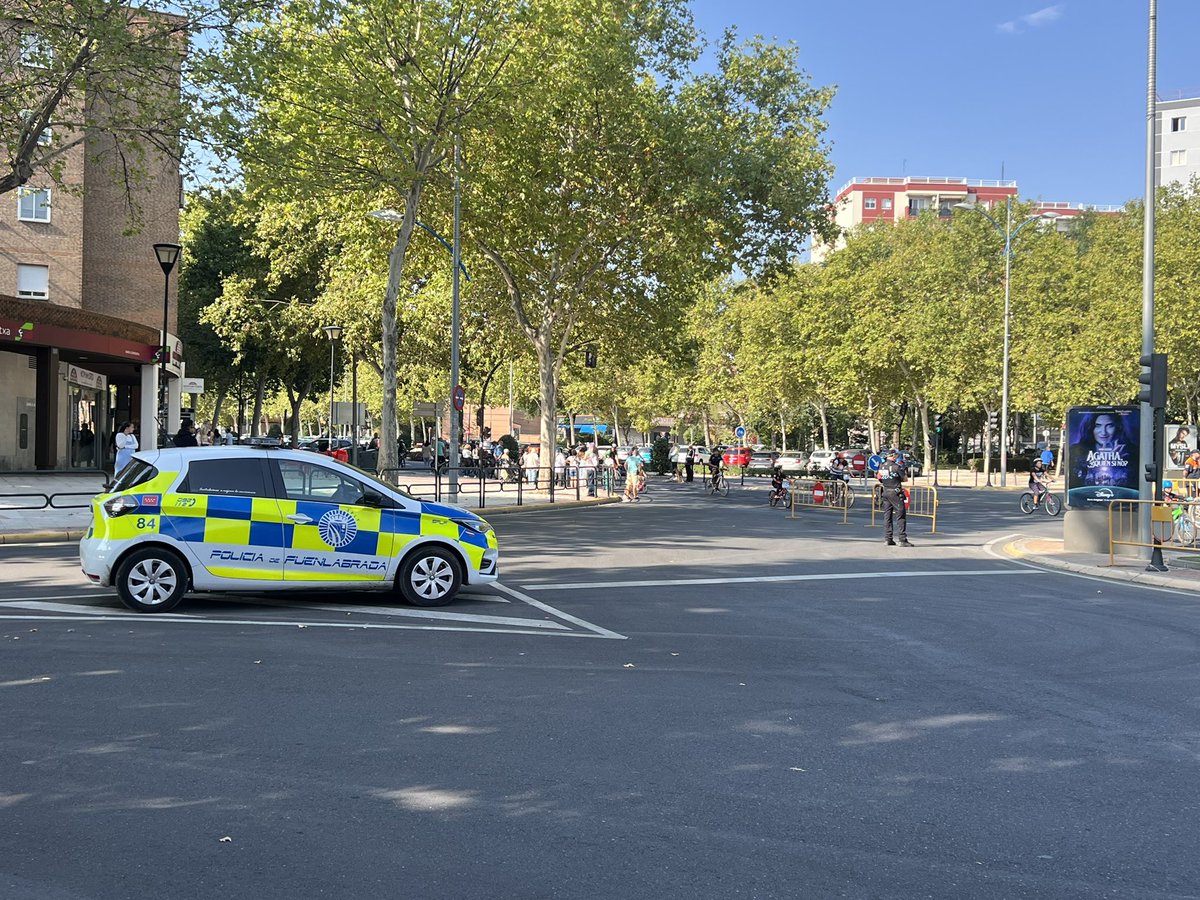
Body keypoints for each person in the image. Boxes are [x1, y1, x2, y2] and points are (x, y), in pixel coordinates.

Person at [1069, 411, 1135, 488]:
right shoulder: (1077, 450)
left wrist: (1117, 460)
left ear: (1118, 427)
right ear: (1091, 428)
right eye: (1098, 426)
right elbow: (1075, 484)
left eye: (1109, 426)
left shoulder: (1131, 452)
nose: (1103, 432)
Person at [877, 448, 912, 547]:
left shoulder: (882, 467)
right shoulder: (896, 467)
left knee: (887, 516)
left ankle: (888, 539)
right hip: (895, 493)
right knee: (901, 515)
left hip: (886, 492)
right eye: (896, 455)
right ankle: (902, 539)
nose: (896, 456)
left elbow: (879, 478)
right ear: (893, 456)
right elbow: (905, 479)